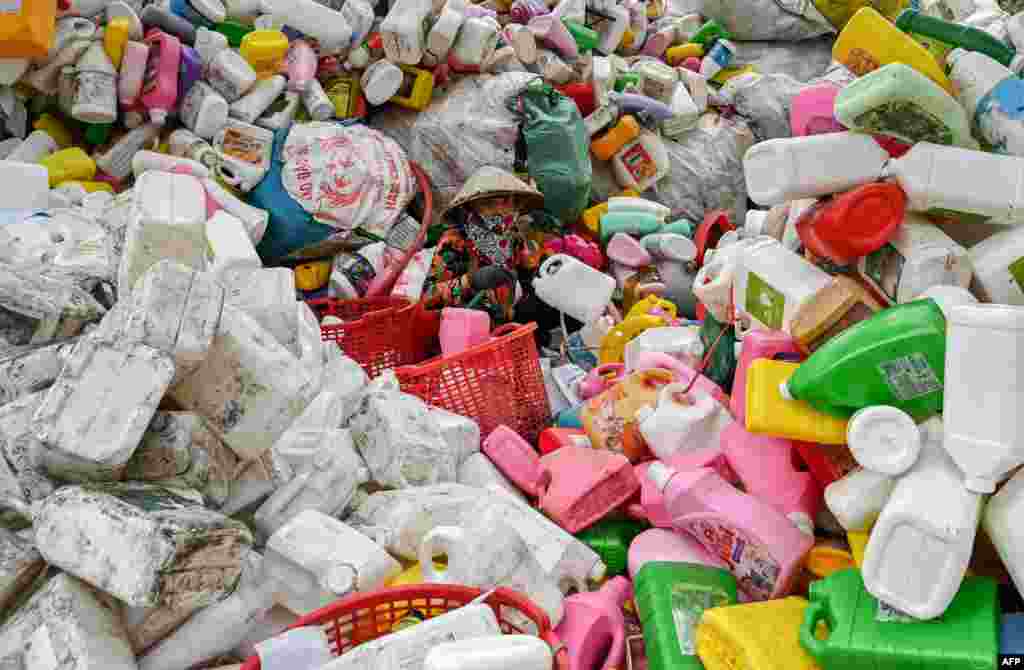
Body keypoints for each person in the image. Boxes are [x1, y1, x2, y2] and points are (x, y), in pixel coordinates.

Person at [422, 166, 545, 324]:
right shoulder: (454, 242)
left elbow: (529, 276)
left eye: (509, 201)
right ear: (471, 206)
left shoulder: (513, 238)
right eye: (490, 203)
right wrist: (470, 281)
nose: (502, 210)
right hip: (465, 327)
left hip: (507, 324)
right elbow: (428, 297)